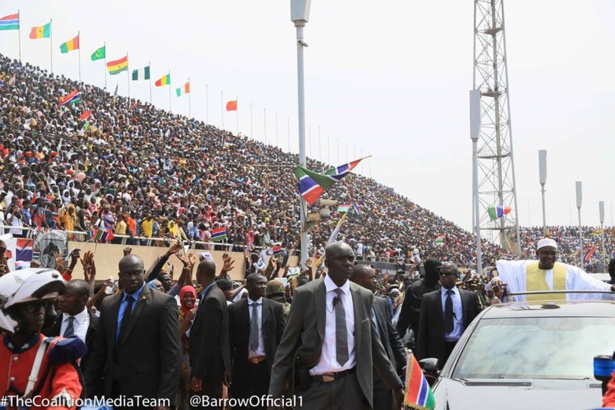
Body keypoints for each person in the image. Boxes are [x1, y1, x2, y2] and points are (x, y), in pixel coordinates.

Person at [269, 241, 404, 409]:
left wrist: (396, 385)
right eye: (341, 258)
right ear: (327, 263)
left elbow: (374, 346)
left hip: (352, 389)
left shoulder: (363, 296)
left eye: (350, 258)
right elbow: (286, 348)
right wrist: (274, 396)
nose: (347, 263)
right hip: (313, 389)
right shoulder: (306, 295)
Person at [84, 254, 182, 408]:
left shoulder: (162, 304)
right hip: (112, 390)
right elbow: (99, 352)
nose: (132, 278)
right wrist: (86, 389)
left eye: (137, 273)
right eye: (127, 274)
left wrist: (165, 398)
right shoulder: (109, 304)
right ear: (120, 276)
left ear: (144, 273)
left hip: (146, 392)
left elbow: (172, 355)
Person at [0, 268, 86, 409]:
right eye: (29, 306)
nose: (40, 311)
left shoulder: (57, 351)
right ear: (8, 311)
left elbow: (67, 391)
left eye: (44, 305)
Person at [350, 264, 407, 410]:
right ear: (358, 281)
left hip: (383, 374)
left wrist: (405, 363)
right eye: (372, 278)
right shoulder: (346, 304)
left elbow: (392, 336)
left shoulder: (381, 303)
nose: (376, 281)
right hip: (356, 374)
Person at [228, 273, 285, 409]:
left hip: (266, 367)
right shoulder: (234, 309)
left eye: (265, 283)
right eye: (259, 283)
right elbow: (229, 341)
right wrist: (227, 368)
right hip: (242, 366)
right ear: (248, 286)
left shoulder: (275, 308)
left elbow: (281, 340)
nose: (264, 286)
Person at [494, 238, 615, 301]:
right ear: (537, 253)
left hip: (561, 326)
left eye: (553, 253)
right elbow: (504, 278)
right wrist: (496, 281)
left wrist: (610, 288)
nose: (550, 257)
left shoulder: (570, 271)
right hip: (530, 325)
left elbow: (592, 285)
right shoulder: (523, 269)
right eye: (545, 253)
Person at [417, 262, 480, 369]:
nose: (443, 276)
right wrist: (421, 359)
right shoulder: (429, 299)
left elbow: (476, 327)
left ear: (456, 276)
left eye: (447, 273)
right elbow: (423, 331)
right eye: (441, 273)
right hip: (437, 352)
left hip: (462, 349)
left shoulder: (469, 297)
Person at [189, 260, 231, 410]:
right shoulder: (216, 293)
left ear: (199, 274)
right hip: (213, 367)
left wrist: (199, 374)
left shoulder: (212, 298)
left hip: (209, 371)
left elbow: (209, 340)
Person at [48, 279, 99, 374]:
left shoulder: (97, 325)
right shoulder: (49, 320)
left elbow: (96, 362)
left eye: (67, 296)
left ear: (83, 300)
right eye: (61, 294)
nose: (61, 299)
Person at [396, 257, 442, 347]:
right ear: (429, 270)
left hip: (438, 336)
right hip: (419, 336)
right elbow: (405, 316)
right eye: (438, 269)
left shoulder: (442, 287)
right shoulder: (414, 289)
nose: (441, 272)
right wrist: (396, 341)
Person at [178, 286, 198, 410]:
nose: (189, 298)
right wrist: (187, 320)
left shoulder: (200, 311)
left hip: (198, 356)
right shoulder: (176, 313)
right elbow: (177, 335)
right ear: (181, 298)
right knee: (186, 388)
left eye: (191, 296)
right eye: (186, 296)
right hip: (184, 357)